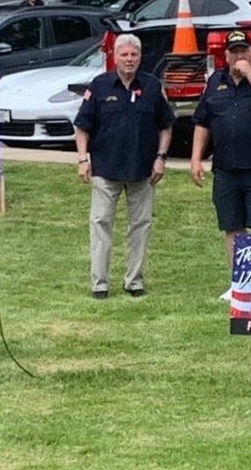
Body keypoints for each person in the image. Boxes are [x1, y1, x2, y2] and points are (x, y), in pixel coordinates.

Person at [74, 33, 175, 300]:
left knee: (140, 226)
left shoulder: (153, 87)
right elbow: (82, 127)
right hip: (105, 170)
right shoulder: (99, 85)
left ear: (140, 57)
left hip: (143, 171)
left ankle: (134, 281)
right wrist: (83, 160)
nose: (129, 60)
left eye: (134, 55)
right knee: (100, 224)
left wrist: (161, 157)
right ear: (115, 57)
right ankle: (100, 284)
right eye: (124, 55)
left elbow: (166, 126)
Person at [190, 30, 251, 301]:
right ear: (226, 55)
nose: (239, 55)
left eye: (244, 50)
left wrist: (250, 75)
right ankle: (240, 283)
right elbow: (202, 122)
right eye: (234, 51)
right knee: (232, 227)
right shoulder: (215, 82)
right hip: (225, 168)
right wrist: (196, 158)